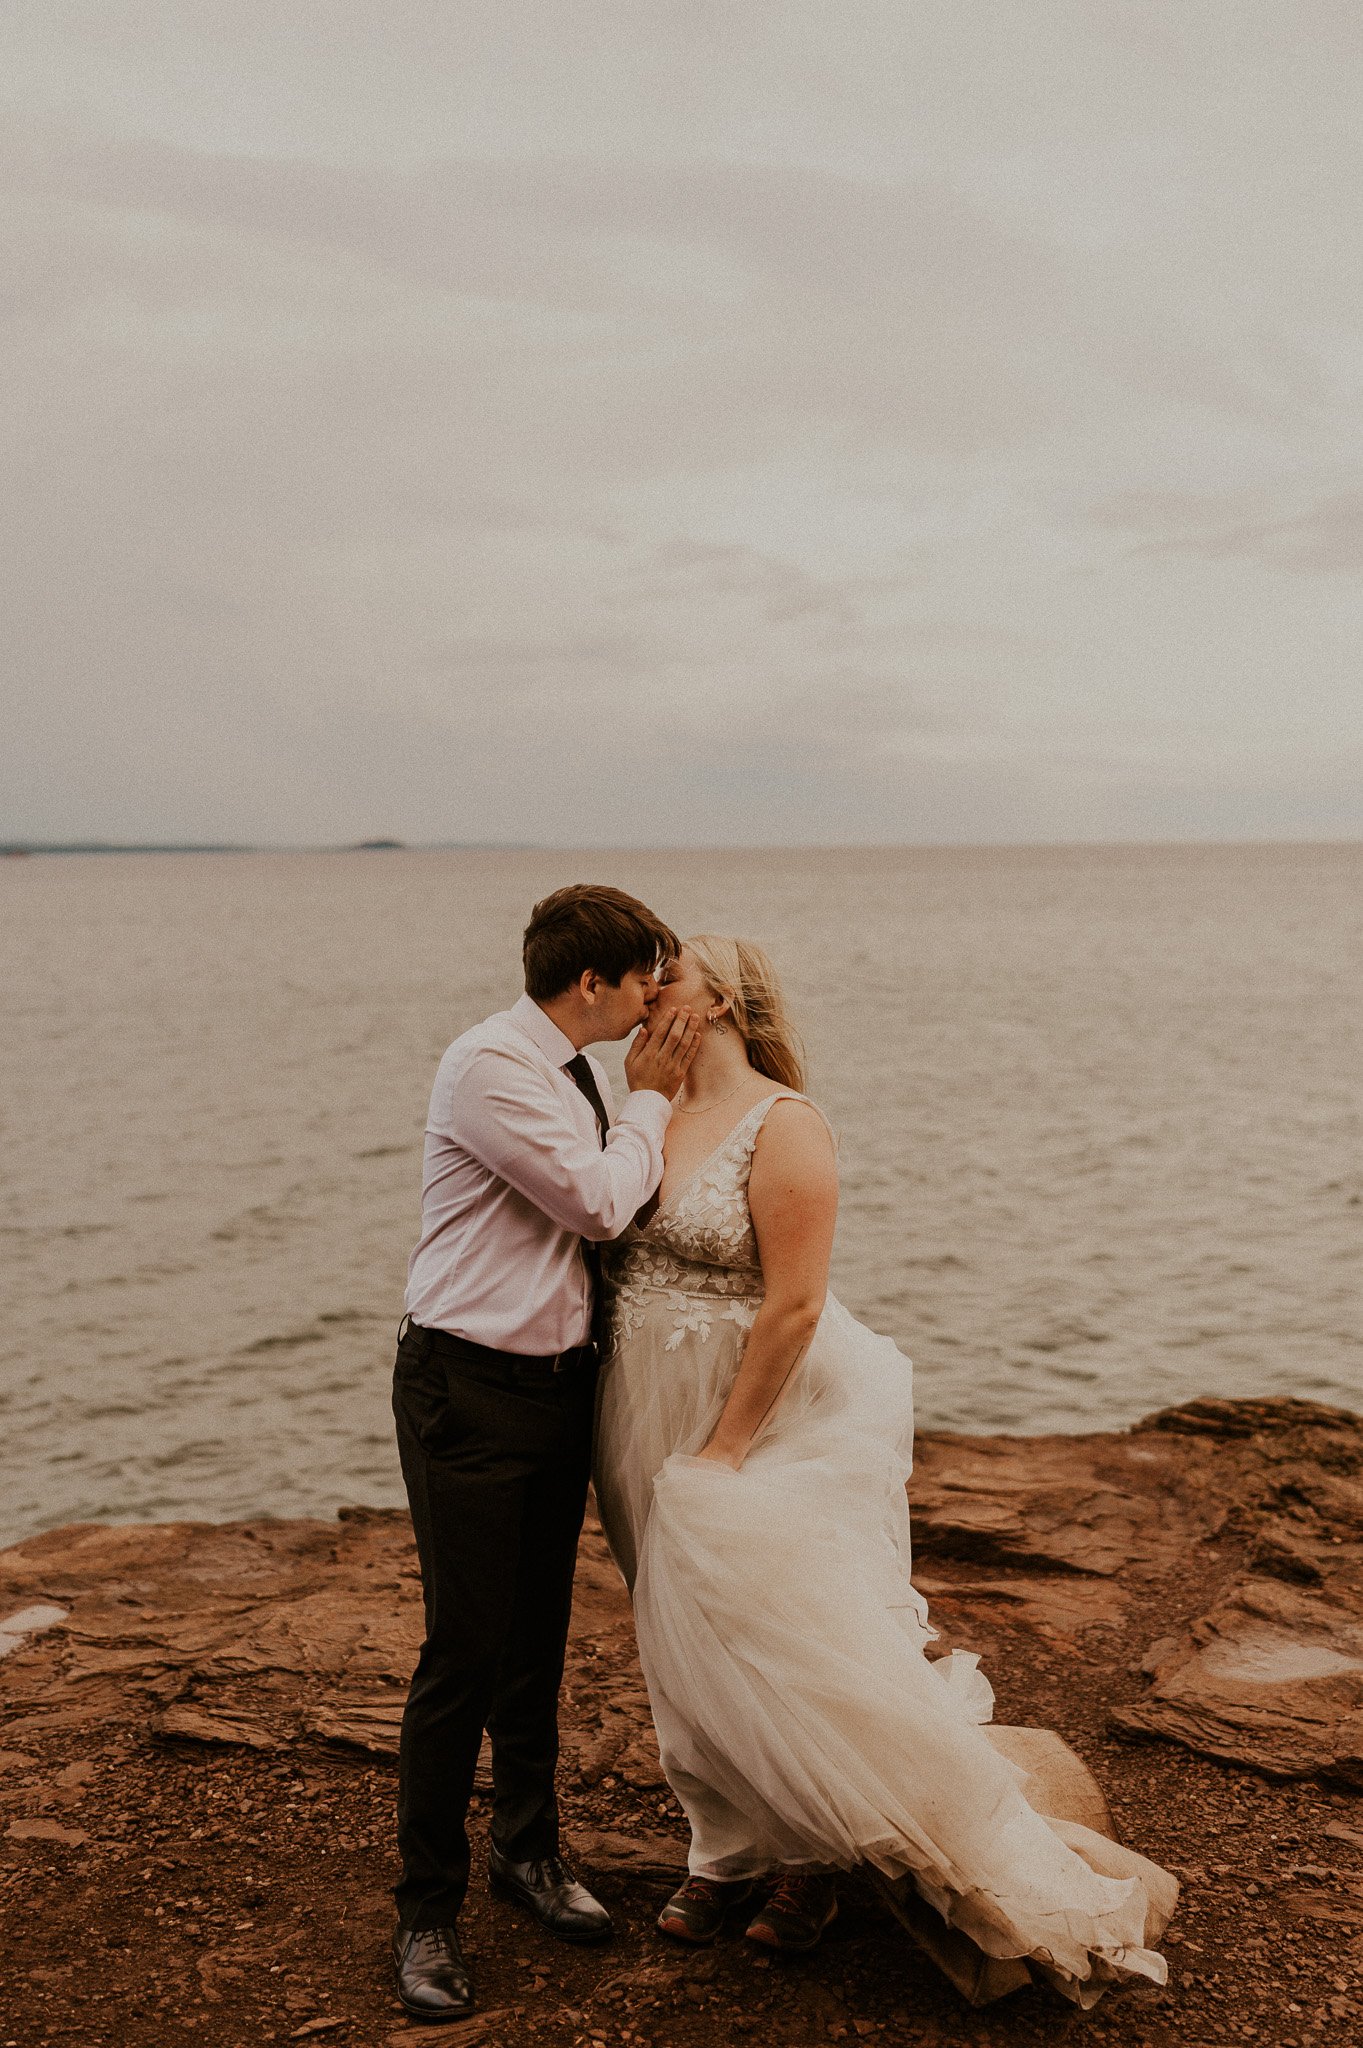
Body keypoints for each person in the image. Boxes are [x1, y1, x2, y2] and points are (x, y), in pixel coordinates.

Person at [593, 935, 1177, 2003]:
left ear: (718, 999)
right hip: (636, 1398)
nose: (645, 989)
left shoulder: (788, 1123)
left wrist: (727, 1443)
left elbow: (796, 1302)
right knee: (672, 1626)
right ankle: (721, 1847)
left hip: (752, 1405)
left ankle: (812, 1858)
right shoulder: (641, 1111)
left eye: (666, 974)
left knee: (776, 1628)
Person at [390, 885, 700, 2023]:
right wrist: (655, 1101)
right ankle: (426, 1909)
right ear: (592, 984)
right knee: (461, 1654)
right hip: (467, 1389)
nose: (657, 1001)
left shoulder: (572, 1065)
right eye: (646, 981)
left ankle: (527, 1852)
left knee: (535, 1641)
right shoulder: (491, 1066)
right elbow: (598, 1201)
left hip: (557, 1392)